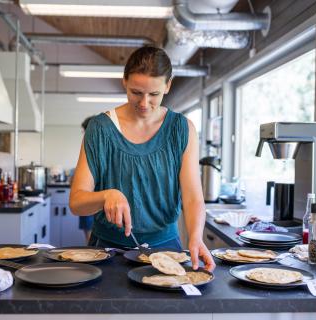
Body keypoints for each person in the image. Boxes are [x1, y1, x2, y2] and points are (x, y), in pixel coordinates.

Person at [69, 46, 215, 271]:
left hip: (167, 248)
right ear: (124, 82)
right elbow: (77, 203)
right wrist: (107, 195)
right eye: (136, 92)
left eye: (154, 94)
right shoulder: (100, 129)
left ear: (168, 85)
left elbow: (193, 197)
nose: (144, 103)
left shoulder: (182, 129)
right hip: (107, 250)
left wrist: (196, 237)